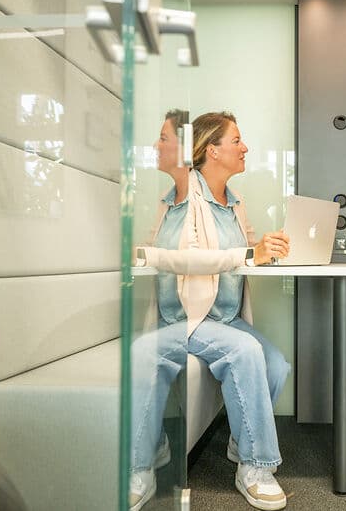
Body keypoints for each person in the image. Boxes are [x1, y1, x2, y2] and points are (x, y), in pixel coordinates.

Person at [129, 110, 292, 511]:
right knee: (244, 351)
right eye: (237, 140)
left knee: (276, 366)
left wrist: (269, 248)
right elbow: (182, 257)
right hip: (188, 317)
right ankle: (255, 466)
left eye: (163, 138)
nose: (245, 147)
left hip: (224, 317)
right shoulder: (183, 194)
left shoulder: (233, 202)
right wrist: (249, 254)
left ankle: (241, 440)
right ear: (211, 150)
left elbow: (246, 250)